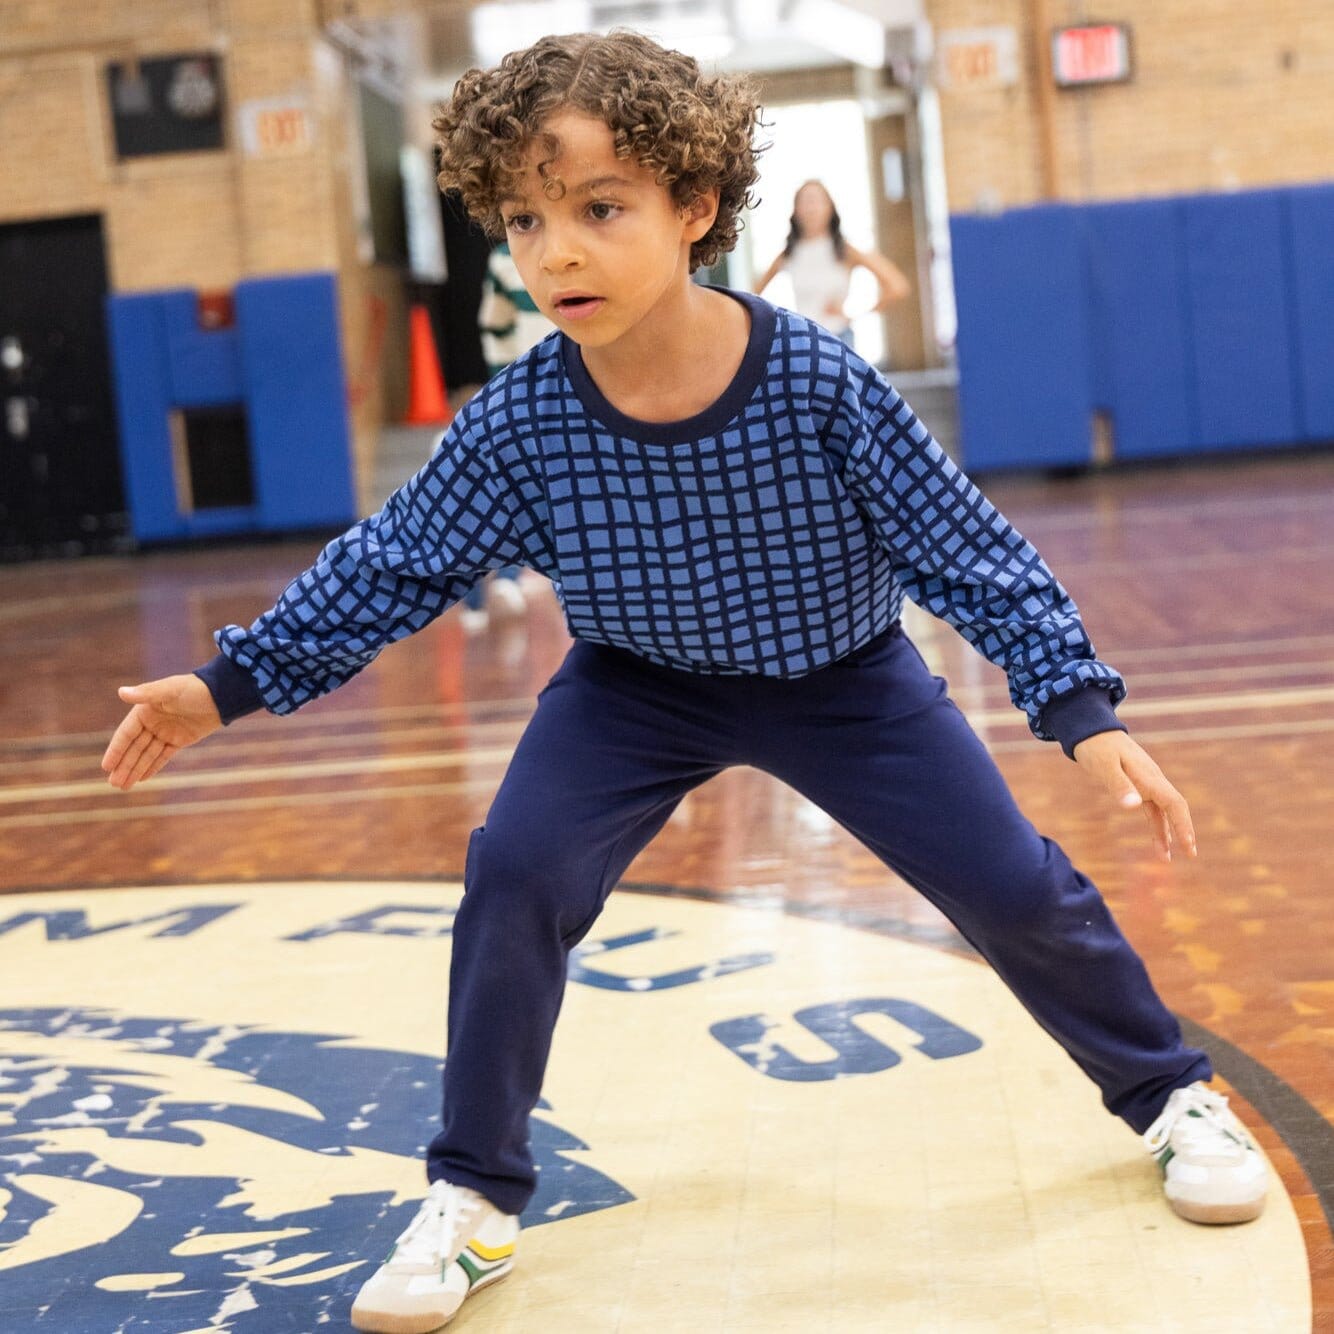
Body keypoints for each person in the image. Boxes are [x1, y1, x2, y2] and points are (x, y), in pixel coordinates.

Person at [101, 30, 1268, 1334]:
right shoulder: (522, 421)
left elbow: (966, 548)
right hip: (634, 686)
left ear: (694, 206)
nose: (557, 253)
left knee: (1010, 884)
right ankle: (472, 1193)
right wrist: (227, 683)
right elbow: (392, 564)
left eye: (599, 210)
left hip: (841, 679)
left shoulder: (816, 381)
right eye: (526, 220)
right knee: (515, 872)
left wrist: (1077, 708)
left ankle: (1170, 1094)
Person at [456, 240, 555, 630]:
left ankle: (507, 581)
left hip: (572, 387)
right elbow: (494, 324)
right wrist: (506, 386)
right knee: (518, 495)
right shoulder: (503, 259)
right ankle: (495, 587)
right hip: (527, 392)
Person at [754, 179, 911, 349]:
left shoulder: (845, 250)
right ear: (796, 210)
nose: (811, 209)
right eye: (805, 202)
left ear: (830, 208)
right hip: (804, 342)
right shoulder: (788, 254)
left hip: (838, 339)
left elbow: (897, 286)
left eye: (816, 201)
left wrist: (855, 313)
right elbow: (754, 294)